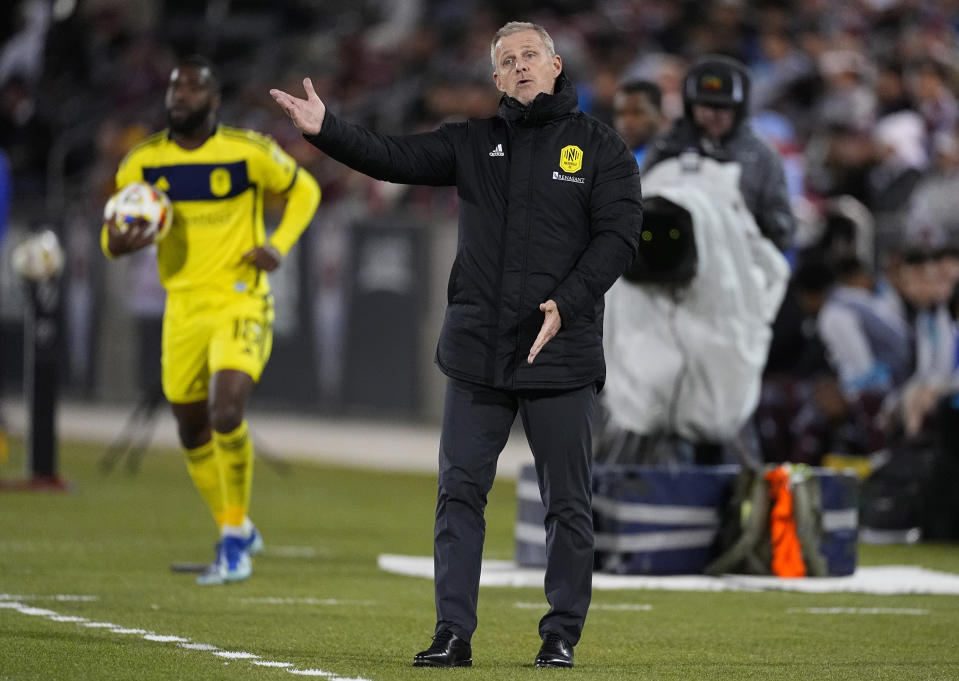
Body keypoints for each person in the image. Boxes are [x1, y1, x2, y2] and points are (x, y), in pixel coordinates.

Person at [271, 20, 642, 669]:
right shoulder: (471, 142)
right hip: (478, 351)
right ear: (496, 78)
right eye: (508, 60)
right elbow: (393, 156)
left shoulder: (601, 148)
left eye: (532, 55)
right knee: (458, 494)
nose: (522, 66)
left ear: (555, 66)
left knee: (567, 503)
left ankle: (559, 634)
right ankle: (452, 632)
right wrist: (327, 128)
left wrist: (569, 300)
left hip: (561, 351)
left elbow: (619, 237)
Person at [101, 56, 320, 585]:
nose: (180, 98)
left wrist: (277, 245)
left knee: (225, 413)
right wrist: (119, 242)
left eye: (193, 90)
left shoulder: (246, 152)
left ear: (213, 100)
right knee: (192, 427)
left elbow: (305, 191)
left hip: (240, 299)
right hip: (182, 309)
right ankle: (236, 525)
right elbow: (112, 237)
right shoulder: (141, 162)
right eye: (175, 90)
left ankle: (231, 544)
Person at [642, 55, 795, 251]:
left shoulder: (761, 156)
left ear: (739, 110)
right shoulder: (665, 148)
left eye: (723, 108)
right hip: (673, 254)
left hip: (739, 257)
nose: (713, 115)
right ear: (690, 106)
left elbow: (785, 228)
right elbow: (640, 203)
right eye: (705, 106)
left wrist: (764, 224)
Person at [612, 79, 665, 169]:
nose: (627, 122)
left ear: (659, 114)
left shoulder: (671, 157)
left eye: (637, 113)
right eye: (620, 113)